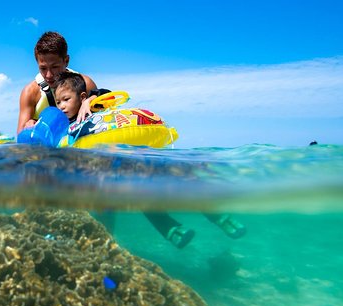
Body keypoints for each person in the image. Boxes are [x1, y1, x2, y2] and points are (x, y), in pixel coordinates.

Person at [52, 73, 247, 248]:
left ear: (82, 97)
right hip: (113, 171)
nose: (61, 106)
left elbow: (107, 94)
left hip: (134, 158)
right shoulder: (70, 127)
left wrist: (92, 99)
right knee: (140, 197)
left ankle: (219, 217)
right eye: (58, 102)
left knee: (179, 183)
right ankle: (171, 230)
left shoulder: (94, 109)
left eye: (66, 100)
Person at [17, 31, 99, 133]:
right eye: (43, 68)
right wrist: (29, 125)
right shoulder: (30, 93)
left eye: (55, 67)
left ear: (66, 60)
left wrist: (91, 99)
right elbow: (20, 141)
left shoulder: (85, 83)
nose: (49, 75)